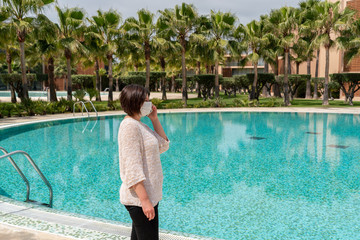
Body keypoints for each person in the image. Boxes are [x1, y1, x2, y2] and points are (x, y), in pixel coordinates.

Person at [118, 84, 170, 240]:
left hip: (149, 197)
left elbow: (163, 144)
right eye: (146, 101)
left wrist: (154, 119)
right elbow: (132, 168)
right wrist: (145, 201)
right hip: (140, 199)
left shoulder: (140, 125)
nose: (150, 104)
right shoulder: (129, 127)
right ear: (135, 102)